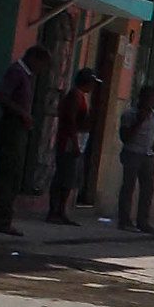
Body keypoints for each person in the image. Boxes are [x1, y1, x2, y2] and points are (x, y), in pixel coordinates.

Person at [0, 42, 50, 236]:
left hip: (18, 128)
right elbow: (2, 95)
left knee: (9, 174)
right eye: (42, 64)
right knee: (9, 174)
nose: (41, 70)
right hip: (11, 127)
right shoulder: (17, 72)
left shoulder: (25, 75)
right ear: (34, 58)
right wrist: (23, 114)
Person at [47, 69, 98, 224]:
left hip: (74, 141)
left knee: (68, 178)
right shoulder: (76, 96)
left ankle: (60, 210)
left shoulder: (79, 96)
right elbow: (70, 120)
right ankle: (56, 211)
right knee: (64, 177)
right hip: (70, 143)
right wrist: (75, 143)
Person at [117, 83, 154, 233]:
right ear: (141, 98)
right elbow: (125, 137)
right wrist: (139, 121)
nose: (149, 101)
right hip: (132, 152)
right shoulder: (129, 114)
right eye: (147, 98)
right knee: (128, 187)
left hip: (147, 155)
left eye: (152, 98)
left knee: (147, 190)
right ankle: (124, 220)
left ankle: (143, 221)